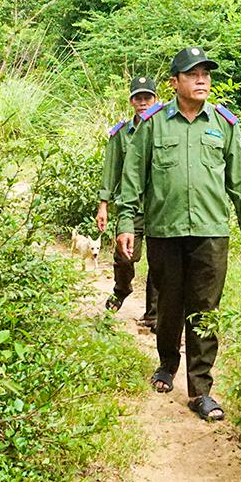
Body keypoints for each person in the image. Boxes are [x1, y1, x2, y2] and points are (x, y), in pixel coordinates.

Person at [116, 47, 241, 422]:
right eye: (193, 74)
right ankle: (167, 364)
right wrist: (125, 223)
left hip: (211, 232)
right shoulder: (153, 124)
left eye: (205, 74)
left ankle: (200, 390)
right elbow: (132, 177)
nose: (201, 80)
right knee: (169, 304)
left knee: (205, 310)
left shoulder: (224, 124)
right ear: (174, 82)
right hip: (165, 230)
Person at [96, 76, 159, 329]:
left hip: (159, 207)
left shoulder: (164, 128)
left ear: (156, 100)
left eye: (147, 98)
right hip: (131, 208)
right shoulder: (121, 134)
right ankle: (122, 289)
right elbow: (111, 170)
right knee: (124, 257)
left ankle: (153, 313)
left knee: (159, 262)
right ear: (131, 101)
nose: (143, 103)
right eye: (138, 98)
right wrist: (103, 204)